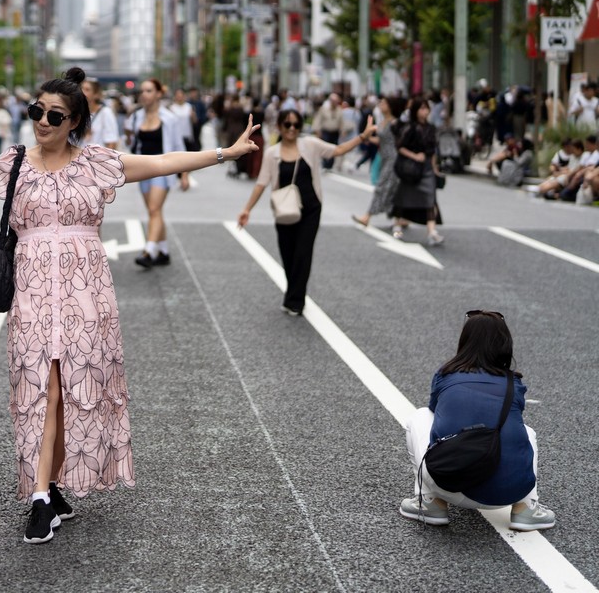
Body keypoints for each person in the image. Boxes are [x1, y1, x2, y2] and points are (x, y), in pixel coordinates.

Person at [0, 67, 260, 545]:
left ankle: (50, 487)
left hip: (88, 295)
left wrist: (227, 152)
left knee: (67, 386)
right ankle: (42, 494)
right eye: (36, 112)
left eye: (54, 116)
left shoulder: (98, 163)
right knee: (44, 386)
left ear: (75, 123)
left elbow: (162, 162)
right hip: (34, 293)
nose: (42, 122)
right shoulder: (13, 165)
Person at [400, 310, 554, 531]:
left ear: (465, 342)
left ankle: (430, 503)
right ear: (505, 344)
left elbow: (436, 410)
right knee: (526, 431)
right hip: (510, 492)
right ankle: (526, 508)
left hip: (450, 485)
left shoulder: (446, 375)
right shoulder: (514, 383)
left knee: (421, 416)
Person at [237, 108, 377, 317]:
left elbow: (337, 151)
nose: (292, 129)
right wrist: (247, 209)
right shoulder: (271, 153)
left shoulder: (310, 145)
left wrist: (362, 137)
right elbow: (261, 184)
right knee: (288, 255)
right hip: (284, 210)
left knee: (303, 253)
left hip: (311, 208)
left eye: (296, 125)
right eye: (287, 124)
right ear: (280, 127)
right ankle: (294, 293)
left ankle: (295, 301)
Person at [125, 78, 189, 268]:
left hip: (163, 170)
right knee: (154, 211)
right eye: (142, 91)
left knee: (154, 209)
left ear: (159, 94)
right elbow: (130, 140)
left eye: (149, 91)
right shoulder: (136, 117)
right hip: (142, 169)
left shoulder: (169, 118)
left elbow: (179, 147)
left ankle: (149, 251)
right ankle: (164, 250)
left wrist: (184, 174)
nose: (144, 94)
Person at [391, 97, 445, 247]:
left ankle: (432, 232)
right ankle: (397, 224)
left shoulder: (431, 128)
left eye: (426, 108)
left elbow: (433, 151)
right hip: (411, 169)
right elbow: (400, 147)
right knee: (405, 197)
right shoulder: (410, 128)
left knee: (430, 198)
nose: (425, 111)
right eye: (421, 108)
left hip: (427, 167)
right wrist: (415, 156)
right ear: (415, 111)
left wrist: (435, 169)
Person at [352, 97, 405, 231]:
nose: (381, 105)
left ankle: (368, 216)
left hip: (394, 158)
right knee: (388, 187)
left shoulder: (395, 123)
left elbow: (400, 141)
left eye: (384, 103)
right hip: (383, 157)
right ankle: (397, 219)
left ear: (391, 106)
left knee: (386, 187)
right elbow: (381, 141)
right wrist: (367, 136)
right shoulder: (382, 122)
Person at [82, 79, 119, 149]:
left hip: (97, 158)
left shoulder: (105, 112)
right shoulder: (77, 113)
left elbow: (112, 143)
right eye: (81, 88)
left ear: (96, 94)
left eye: (87, 90)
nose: (82, 92)